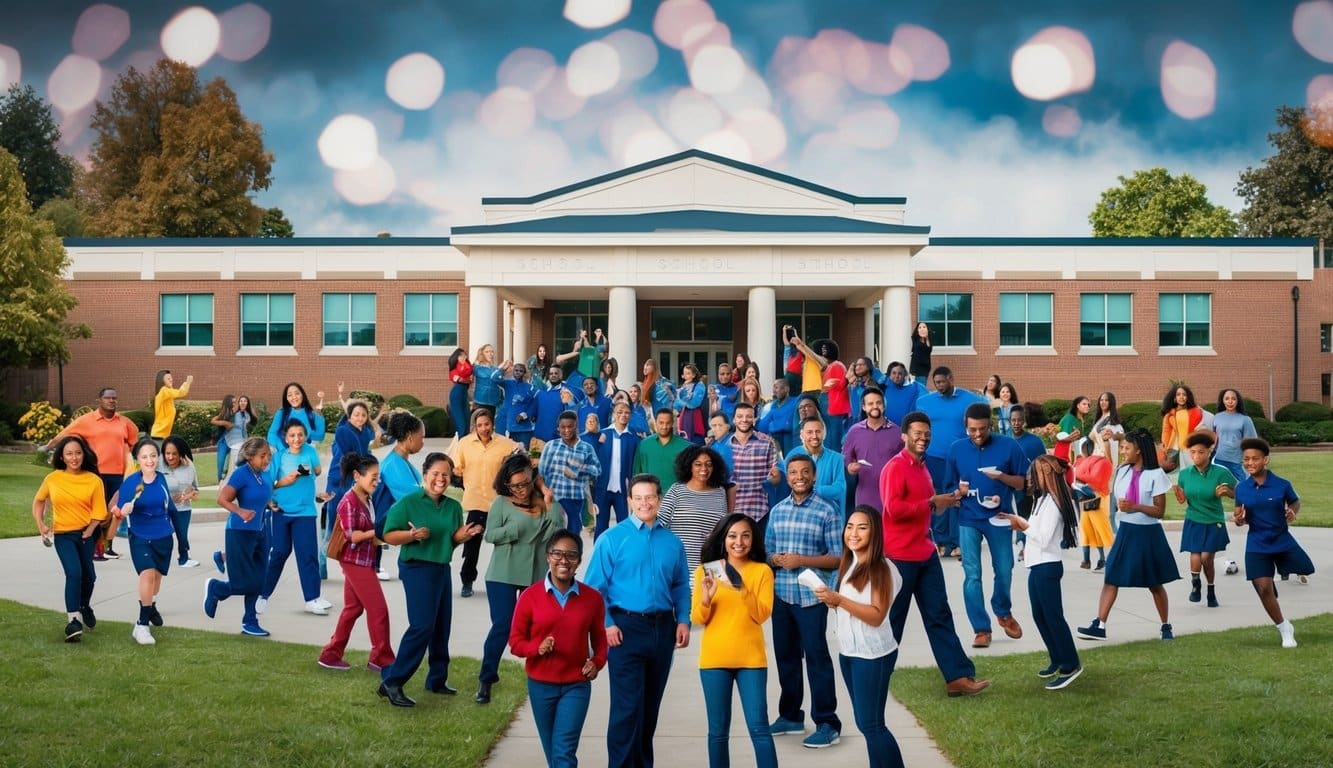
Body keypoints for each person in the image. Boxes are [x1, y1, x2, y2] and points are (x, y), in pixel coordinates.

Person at [879, 411, 990, 697]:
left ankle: (957, 677)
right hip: (900, 556)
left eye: (927, 434)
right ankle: (875, 674)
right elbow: (893, 509)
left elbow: (925, 506)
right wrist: (931, 502)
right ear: (904, 435)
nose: (923, 438)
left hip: (925, 552)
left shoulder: (922, 467)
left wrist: (947, 502)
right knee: (894, 620)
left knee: (939, 615)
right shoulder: (895, 468)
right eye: (917, 433)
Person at [584, 474, 691, 768]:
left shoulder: (672, 542)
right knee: (627, 707)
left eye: (651, 497)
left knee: (649, 706)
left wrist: (683, 620)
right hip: (624, 628)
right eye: (639, 498)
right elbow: (594, 590)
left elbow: (681, 585)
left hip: (662, 629)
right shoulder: (612, 539)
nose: (645, 503)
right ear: (630, 501)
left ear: (659, 500)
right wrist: (607, 623)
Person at [377, 453, 484, 707]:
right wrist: (411, 535)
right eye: (435, 473)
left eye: (446, 474)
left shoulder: (453, 507)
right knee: (422, 626)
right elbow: (388, 535)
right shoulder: (408, 503)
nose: (441, 478)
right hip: (416, 567)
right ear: (424, 474)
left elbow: (450, 541)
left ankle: (436, 679)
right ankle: (392, 682)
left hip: (440, 567)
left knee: (441, 626)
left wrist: (462, 536)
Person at [813, 506, 905, 767]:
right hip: (850, 653)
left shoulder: (882, 568)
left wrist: (839, 600)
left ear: (874, 532)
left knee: (872, 724)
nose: (853, 533)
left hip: (872, 654)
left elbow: (876, 615)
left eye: (862, 527)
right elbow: (853, 605)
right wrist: (834, 602)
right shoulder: (851, 562)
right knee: (867, 724)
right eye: (850, 526)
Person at [509, 529, 608, 768]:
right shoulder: (530, 597)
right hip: (541, 685)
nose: (564, 560)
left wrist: (596, 663)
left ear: (579, 562)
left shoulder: (592, 599)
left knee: (563, 752)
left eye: (571, 555)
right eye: (557, 553)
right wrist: (537, 648)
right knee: (553, 753)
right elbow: (515, 643)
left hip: (576, 685)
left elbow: (601, 643)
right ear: (548, 557)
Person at [764, 454, 843, 748]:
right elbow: (768, 550)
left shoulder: (828, 510)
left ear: (813, 476)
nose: (799, 477)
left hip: (811, 598)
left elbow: (837, 558)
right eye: (794, 472)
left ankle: (827, 722)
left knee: (817, 658)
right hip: (782, 595)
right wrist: (776, 559)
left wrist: (801, 561)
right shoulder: (778, 510)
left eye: (805, 472)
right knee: (785, 657)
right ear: (787, 477)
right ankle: (791, 716)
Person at [476, 454, 565, 703]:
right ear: (506, 484)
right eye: (515, 485)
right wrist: (515, 530)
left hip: (534, 574)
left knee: (538, 627)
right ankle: (486, 679)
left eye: (525, 483)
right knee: (503, 626)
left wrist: (548, 496)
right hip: (502, 574)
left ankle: (541, 676)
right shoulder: (501, 504)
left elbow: (557, 530)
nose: (521, 490)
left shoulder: (543, 502)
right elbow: (490, 535)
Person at [1078, 429, 1180, 642]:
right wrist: (1122, 506)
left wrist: (1134, 506)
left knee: (1154, 583)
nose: (1123, 452)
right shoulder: (1123, 470)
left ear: (1139, 450)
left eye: (1126, 448)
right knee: (1111, 576)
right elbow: (1118, 502)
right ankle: (1100, 624)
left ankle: (1165, 625)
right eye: (1122, 447)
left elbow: (1159, 511)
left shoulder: (1156, 475)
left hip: (1147, 533)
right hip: (1126, 530)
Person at [692, 514, 778, 768]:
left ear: (753, 539)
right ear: (723, 538)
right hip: (714, 660)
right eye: (732, 536)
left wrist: (742, 589)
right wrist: (706, 599)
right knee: (717, 732)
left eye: (745, 535)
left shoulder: (762, 571)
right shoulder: (707, 570)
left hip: (751, 660)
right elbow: (698, 617)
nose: (738, 542)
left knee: (759, 727)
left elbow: (761, 614)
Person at [997, 455, 1083, 690]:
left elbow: (1044, 538)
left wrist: (1021, 525)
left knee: (1053, 617)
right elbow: (1036, 529)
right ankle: (1057, 658)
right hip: (1037, 565)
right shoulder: (1042, 500)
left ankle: (1070, 664)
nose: (1032, 478)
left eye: (1036, 473)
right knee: (1040, 615)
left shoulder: (1055, 503)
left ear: (1047, 475)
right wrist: (1020, 521)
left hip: (1048, 565)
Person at [946, 402, 1027, 648]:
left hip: (1000, 517)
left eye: (982, 429)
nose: (978, 434)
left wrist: (1001, 477)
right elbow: (948, 487)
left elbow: (1023, 483)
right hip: (968, 519)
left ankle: (1002, 611)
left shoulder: (1009, 446)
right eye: (972, 430)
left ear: (990, 425)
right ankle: (981, 628)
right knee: (972, 574)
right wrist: (957, 493)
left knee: (1005, 569)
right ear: (965, 427)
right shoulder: (956, 449)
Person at [1232, 437, 1315, 648]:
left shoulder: (1282, 485)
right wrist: (1239, 520)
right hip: (1257, 542)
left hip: (1281, 539)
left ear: (1265, 460)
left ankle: (1275, 580)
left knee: (1306, 568)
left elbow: (1295, 502)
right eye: (1246, 460)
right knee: (1262, 588)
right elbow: (1239, 515)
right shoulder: (1241, 488)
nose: (1250, 463)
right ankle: (1284, 628)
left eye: (1254, 459)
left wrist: (1291, 512)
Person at [319, 452, 396, 672]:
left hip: (364, 560)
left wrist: (384, 534)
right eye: (373, 476)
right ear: (357, 476)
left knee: (353, 609)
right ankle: (381, 658)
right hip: (355, 562)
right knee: (379, 610)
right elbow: (351, 535)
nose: (377, 481)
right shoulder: (348, 502)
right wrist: (377, 532)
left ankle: (330, 654)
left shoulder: (367, 498)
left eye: (378, 476)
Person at [44, 387, 138, 561]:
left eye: (115, 398)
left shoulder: (124, 422)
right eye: (108, 398)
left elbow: (133, 439)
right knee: (97, 512)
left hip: (117, 474)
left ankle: (105, 547)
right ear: (99, 400)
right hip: (95, 475)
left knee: (112, 511)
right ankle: (96, 549)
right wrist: (48, 447)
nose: (112, 401)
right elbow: (64, 434)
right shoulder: (86, 421)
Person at [32, 435, 107, 642]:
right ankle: (73, 621)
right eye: (69, 454)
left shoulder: (94, 480)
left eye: (78, 453)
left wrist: (90, 530)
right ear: (62, 457)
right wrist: (41, 525)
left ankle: (84, 605)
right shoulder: (53, 479)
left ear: (84, 454)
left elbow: (100, 512)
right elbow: (38, 502)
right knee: (74, 573)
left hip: (85, 534)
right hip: (63, 535)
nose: (74, 457)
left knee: (89, 577)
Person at [205, 437, 277, 637]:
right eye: (262, 456)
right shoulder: (241, 474)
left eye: (268, 456)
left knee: (259, 580)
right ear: (250, 456)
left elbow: (261, 497)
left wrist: (269, 505)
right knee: (242, 582)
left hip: (261, 531)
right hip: (240, 531)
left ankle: (250, 621)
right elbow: (222, 498)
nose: (266, 460)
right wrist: (240, 511)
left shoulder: (264, 475)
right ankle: (216, 588)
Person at [260, 419, 331, 616]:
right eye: (292, 435)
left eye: (300, 435)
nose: (296, 439)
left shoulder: (310, 452)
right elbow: (270, 484)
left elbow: (317, 471)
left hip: (305, 512)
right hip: (282, 512)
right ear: (286, 438)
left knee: (308, 555)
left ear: (305, 436)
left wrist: (309, 474)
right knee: (279, 553)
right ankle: (262, 594)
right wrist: (285, 480)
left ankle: (312, 598)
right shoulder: (279, 457)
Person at [451, 408, 522, 598]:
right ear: (474, 426)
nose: (484, 428)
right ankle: (467, 581)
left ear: (493, 424)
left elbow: (520, 455)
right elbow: (457, 468)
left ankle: (508, 580)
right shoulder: (465, 444)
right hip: (475, 502)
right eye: (480, 425)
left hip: (499, 503)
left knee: (506, 543)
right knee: (472, 546)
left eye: (487, 424)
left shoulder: (505, 444)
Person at [916, 366, 986, 558]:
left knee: (956, 497)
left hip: (959, 458)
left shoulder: (969, 399)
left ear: (951, 379)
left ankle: (957, 542)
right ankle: (940, 541)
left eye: (942, 382)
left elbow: (984, 411)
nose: (939, 386)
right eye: (936, 382)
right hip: (933, 457)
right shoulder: (924, 402)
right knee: (937, 498)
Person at [322, 400, 383, 579]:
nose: (360, 418)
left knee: (354, 523)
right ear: (349, 415)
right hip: (339, 480)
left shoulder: (365, 432)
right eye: (356, 414)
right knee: (334, 525)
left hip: (356, 479)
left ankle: (351, 566)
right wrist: (367, 464)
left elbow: (365, 452)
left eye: (363, 415)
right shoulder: (343, 431)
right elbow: (354, 455)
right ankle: (321, 564)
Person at [1175, 432, 1237, 607]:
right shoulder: (1185, 474)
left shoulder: (1220, 473)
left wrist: (1228, 492)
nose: (1196, 456)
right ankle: (1196, 585)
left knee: (1206, 558)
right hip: (1193, 519)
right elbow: (1183, 498)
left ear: (1209, 452)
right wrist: (1180, 498)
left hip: (1213, 521)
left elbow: (1239, 492)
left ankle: (1211, 590)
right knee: (1195, 555)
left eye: (1200, 452)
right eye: (1192, 452)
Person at [659, 445, 732, 576]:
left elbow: (722, 530)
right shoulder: (677, 490)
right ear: (689, 466)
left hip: (711, 563)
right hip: (680, 563)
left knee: (714, 595)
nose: (704, 469)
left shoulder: (720, 492)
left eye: (708, 464)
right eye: (698, 464)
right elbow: (660, 524)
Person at [372, 411, 427, 581]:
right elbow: (417, 499)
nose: (423, 442)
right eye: (421, 437)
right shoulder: (394, 465)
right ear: (410, 437)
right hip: (388, 527)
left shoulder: (399, 460)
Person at [719, 402, 780, 537]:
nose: (744, 420)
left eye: (748, 416)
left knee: (758, 555)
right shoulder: (723, 446)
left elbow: (775, 475)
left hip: (759, 509)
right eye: (740, 416)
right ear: (734, 419)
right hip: (732, 510)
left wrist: (774, 478)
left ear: (754, 418)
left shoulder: (767, 442)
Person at [842, 388, 905, 514]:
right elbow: (846, 457)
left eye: (878, 403)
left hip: (892, 495)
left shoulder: (897, 432)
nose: (875, 406)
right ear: (864, 407)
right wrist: (850, 467)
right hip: (865, 494)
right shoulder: (855, 431)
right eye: (870, 404)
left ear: (884, 405)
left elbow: (905, 463)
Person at [539, 410, 602, 533]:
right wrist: (545, 493)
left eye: (570, 426)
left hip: (576, 499)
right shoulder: (551, 446)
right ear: (558, 428)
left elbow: (597, 470)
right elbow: (541, 473)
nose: (566, 430)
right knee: (554, 537)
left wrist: (579, 468)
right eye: (563, 427)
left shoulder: (586, 448)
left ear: (576, 426)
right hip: (555, 499)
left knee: (573, 538)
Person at [594, 401, 643, 540]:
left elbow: (635, 462)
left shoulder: (633, 438)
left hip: (623, 489)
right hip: (603, 488)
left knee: (624, 524)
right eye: (620, 412)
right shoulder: (602, 435)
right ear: (614, 415)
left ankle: (622, 555)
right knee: (601, 526)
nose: (623, 415)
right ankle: (599, 554)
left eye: (627, 412)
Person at [779, 416, 846, 510]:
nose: (814, 436)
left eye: (818, 431)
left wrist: (809, 488)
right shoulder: (792, 455)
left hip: (830, 514)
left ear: (824, 434)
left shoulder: (837, 458)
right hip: (800, 512)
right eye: (809, 432)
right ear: (802, 435)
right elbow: (786, 484)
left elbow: (839, 489)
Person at [1072, 440, 1114, 571]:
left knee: (1093, 530)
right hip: (1095, 498)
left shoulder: (1086, 462)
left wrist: (1080, 476)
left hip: (1092, 499)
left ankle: (1092, 559)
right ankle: (1097, 559)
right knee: (1092, 530)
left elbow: (1079, 476)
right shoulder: (1101, 462)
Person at [160, 436, 200, 568]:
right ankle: (158, 559)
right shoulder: (158, 465)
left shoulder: (189, 467)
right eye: (167, 453)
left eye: (174, 454)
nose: (170, 457)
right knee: (162, 535)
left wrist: (186, 496)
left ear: (181, 453)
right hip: (162, 508)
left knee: (182, 535)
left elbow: (196, 493)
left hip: (182, 508)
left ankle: (183, 558)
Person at [632, 407, 692, 493]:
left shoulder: (686, 447)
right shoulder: (644, 445)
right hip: (651, 497)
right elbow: (637, 473)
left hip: (677, 497)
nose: (664, 426)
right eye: (661, 423)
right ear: (655, 422)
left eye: (668, 423)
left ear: (672, 423)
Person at [266, 382, 327, 453]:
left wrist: (319, 420)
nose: (294, 397)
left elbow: (320, 437)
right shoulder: (282, 413)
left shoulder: (312, 414)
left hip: (305, 456)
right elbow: (271, 434)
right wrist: (283, 449)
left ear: (302, 395)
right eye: (290, 395)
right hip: (284, 455)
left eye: (297, 393)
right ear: (286, 398)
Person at [1212, 388, 1259, 481]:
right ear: (1222, 401)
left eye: (1233, 399)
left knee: (1247, 484)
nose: (1230, 401)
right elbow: (1213, 438)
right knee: (1219, 488)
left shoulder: (1245, 419)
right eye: (1227, 399)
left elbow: (1252, 442)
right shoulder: (1217, 417)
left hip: (1237, 460)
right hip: (1219, 459)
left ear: (1238, 401)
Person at [1159, 384, 1205, 471]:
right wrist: (1165, 445)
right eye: (1178, 394)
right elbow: (1166, 430)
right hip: (1174, 448)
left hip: (1189, 447)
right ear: (1174, 398)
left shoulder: (1194, 411)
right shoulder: (1170, 414)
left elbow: (1199, 427)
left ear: (1188, 397)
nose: (1181, 397)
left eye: (1184, 394)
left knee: (1192, 470)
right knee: (1170, 471)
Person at [211, 394, 255, 483]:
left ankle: (232, 480)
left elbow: (243, 430)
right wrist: (225, 423)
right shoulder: (227, 414)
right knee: (221, 463)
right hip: (224, 441)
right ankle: (220, 481)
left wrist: (246, 441)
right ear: (229, 403)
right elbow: (213, 420)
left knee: (233, 462)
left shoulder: (241, 415)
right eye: (233, 402)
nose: (235, 404)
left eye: (235, 402)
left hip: (235, 442)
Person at [501, 363, 540, 448]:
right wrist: (503, 369)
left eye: (521, 371)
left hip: (524, 428)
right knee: (512, 454)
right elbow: (494, 379)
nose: (518, 372)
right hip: (510, 426)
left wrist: (525, 415)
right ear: (512, 372)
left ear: (524, 373)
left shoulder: (530, 387)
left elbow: (534, 404)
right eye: (516, 370)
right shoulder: (508, 384)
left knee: (524, 454)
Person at [150, 368, 193, 441]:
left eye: (171, 378)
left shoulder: (167, 394)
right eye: (168, 378)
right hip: (159, 434)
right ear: (162, 381)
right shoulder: (164, 391)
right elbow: (181, 393)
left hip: (162, 434)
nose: (171, 380)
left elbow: (177, 392)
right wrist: (187, 383)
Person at [758, 378, 797, 455]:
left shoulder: (795, 401)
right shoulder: (773, 405)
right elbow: (763, 426)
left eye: (776, 387)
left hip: (791, 441)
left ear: (786, 389)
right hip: (776, 443)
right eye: (773, 388)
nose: (774, 391)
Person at [472, 343, 510, 418]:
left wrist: (505, 370)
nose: (490, 354)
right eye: (487, 352)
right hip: (482, 401)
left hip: (494, 402)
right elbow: (491, 376)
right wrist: (501, 368)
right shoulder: (478, 367)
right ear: (482, 353)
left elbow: (498, 379)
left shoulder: (493, 367)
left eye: (492, 351)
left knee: (491, 425)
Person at [1054, 396, 1090, 475]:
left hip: (1074, 453)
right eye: (1084, 404)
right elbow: (1064, 437)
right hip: (1064, 453)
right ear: (1077, 406)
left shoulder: (1079, 420)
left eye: (1088, 405)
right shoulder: (1069, 418)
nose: (1087, 406)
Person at [881, 362, 924, 427]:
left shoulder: (915, 387)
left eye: (900, 373)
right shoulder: (884, 387)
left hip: (906, 429)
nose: (897, 376)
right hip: (886, 428)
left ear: (904, 375)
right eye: (894, 373)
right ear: (889, 375)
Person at [675, 363, 708, 445]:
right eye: (684, 373)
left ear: (694, 375)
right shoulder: (682, 386)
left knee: (694, 440)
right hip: (684, 414)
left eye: (688, 373)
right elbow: (676, 404)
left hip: (694, 415)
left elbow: (694, 403)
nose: (686, 376)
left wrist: (682, 400)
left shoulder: (699, 385)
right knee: (684, 438)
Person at [448, 347, 475, 438]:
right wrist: (466, 379)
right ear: (456, 357)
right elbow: (462, 378)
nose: (464, 357)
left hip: (464, 395)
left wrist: (467, 378)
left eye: (464, 355)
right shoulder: (453, 371)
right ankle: (459, 445)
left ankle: (464, 443)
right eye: (461, 355)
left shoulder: (468, 367)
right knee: (461, 425)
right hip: (456, 395)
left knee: (467, 419)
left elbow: (468, 377)